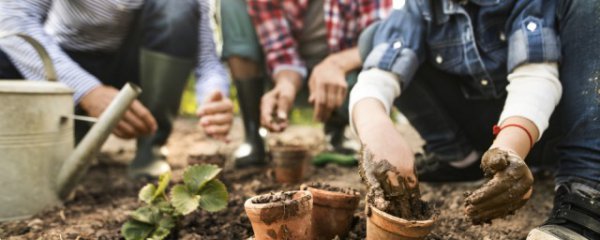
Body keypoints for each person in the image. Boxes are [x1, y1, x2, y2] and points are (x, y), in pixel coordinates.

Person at [351, 0, 600, 239]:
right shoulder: (420, 7)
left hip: (548, 129)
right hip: (487, 139)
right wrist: (376, 129)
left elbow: (535, 77)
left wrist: (510, 147)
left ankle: (586, 189)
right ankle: (460, 159)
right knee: (374, 38)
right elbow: (378, 76)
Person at [0, 0, 233, 179]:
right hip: (70, 63)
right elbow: (12, 19)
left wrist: (214, 95)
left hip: (136, 67)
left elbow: (208, 61)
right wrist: (87, 91)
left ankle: (150, 147)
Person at [220, 0, 394, 167]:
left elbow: (382, 39)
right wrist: (286, 84)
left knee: (383, 62)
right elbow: (280, 52)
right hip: (283, 76)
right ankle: (253, 134)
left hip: (345, 79)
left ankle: (336, 131)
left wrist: (336, 65)